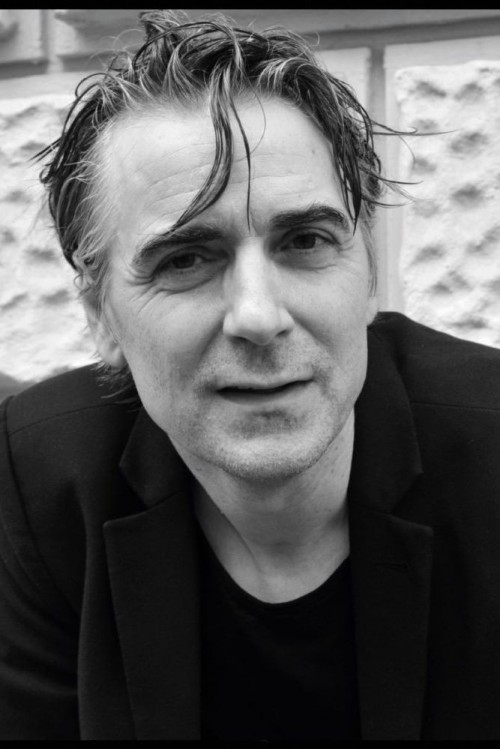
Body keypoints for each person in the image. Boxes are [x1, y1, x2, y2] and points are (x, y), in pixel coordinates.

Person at [1, 10, 500, 741]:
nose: (259, 316)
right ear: (102, 316)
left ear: (368, 274)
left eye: (305, 241)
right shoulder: (39, 481)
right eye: (185, 259)